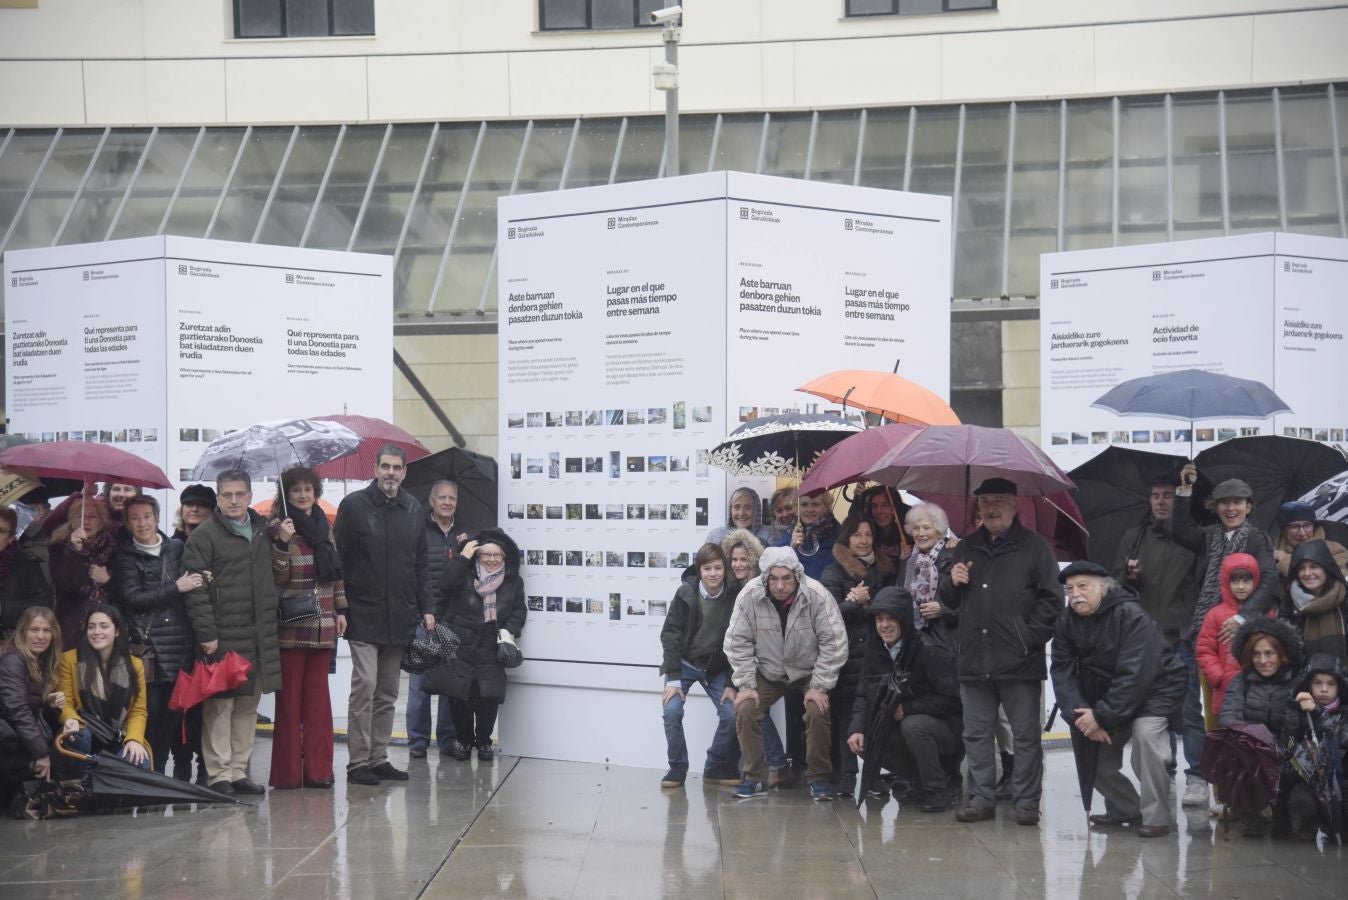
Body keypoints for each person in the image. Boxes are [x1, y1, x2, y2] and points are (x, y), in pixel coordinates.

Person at [940, 477, 1063, 826]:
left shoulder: (1035, 547)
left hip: (1019, 660)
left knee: (1024, 736)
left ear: (1014, 504)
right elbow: (947, 601)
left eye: (998, 500)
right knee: (976, 734)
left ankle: (1027, 801)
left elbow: (1052, 600)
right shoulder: (965, 547)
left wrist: (1028, 639)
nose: (990, 507)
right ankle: (981, 799)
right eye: (984, 501)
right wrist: (952, 581)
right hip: (974, 658)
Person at [1051, 561, 1187, 838]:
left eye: (1083, 586)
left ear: (1103, 586)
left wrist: (1101, 716)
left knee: (1146, 738)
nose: (1075, 594)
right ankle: (1127, 809)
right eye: (1069, 589)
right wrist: (1082, 716)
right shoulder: (1066, 621)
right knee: (1093, 757)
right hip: (1109, 696)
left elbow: (1135, 673)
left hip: (1155, 689)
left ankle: (1157, 817)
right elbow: (1061, 672)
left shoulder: (1130, 615)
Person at [335, 445, 434, 785]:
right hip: (362, 612)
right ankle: (357, 762)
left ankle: (378, 757)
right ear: (375, 469)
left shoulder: (413, 508)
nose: (391, 472)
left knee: (388, 692)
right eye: (385, 466)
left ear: (404, 472)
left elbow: (421, 563)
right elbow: (339, 561)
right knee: (365, 685)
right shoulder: (354, 506)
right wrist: (341, 607)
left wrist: (427, 607)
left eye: (397, 467)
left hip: (400, 615)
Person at [182, 469, 282, 796]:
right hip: (221, 636)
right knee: (219, 708)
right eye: (227, 495)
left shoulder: (263, 531)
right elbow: (195, 591)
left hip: (257, 635)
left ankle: (239, 771)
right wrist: (206, 633)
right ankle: (218, 774)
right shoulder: (204, 536)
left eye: (240, 494)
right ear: (218, 498)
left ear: (250, 496)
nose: (234, 500)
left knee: (247, 707)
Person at [724, 546, 847, 801]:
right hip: (769, 670)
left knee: (817, 710)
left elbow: (834, 641)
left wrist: (819, 686)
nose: (780, 586)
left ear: (797, 576)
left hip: (808, 671)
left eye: (786, 579)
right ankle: (755, 776)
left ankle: (818, 777)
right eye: (774, 579)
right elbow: (737, 641)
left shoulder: (817, 595)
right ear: (765, 577)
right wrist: (746, 684)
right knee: (745, 708)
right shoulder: (749, 595)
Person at [1111, 475, 1203, 806]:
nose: (1161, 501)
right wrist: (1128, 574)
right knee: (1153, 711)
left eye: (1168, 495)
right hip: (1144, 640)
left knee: (1188, 710)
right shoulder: (1134, 537)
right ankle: (1166, 770)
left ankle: (1197, 777)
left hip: (1182, 636)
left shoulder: (1193, 538)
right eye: (1155, 495)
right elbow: (1113, 587)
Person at [846, 587, 963, 812]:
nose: (885, 625)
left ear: (904, 620)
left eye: (891, 618)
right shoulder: (874, 651)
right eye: (879, 619)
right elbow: (862, 694)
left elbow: (954, 702)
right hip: (901, 725)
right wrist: (856, 729)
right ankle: (917, 781)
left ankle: (940, 787)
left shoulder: (929, 650)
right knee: (868, 736)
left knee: (912, 725)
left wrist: (907, 709)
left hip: (945, 732)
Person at [111, 495, 203, 778]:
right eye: (135, 518)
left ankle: (171, 773)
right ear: (127, 523)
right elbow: (133, 598)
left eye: (147, 516)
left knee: (173, 718)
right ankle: (151, 774)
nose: (142, 523)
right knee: (148, 716)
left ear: (157, 517)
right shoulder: (124, 556)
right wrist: (176, 587)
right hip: (147, 649)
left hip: (179, 647)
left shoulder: (176, 548)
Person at [268, 466, 346, 790]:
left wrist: (341, 609)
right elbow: (277, 578)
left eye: (308, 489)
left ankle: (319, 772)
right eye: (296, 490)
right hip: (292, 625)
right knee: (288, 704)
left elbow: (336, 572)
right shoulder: (277, 528)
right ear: (286, 494)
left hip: (324, 624)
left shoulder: (325, 527)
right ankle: (287, 775)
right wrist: (282, 544)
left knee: (318, 703)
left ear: (316, 492)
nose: (302, 495)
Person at [819, 515, 895, 795]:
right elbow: (826, 615)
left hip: (878, 652)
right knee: (844, 715)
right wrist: (853, 601)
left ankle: (873, 775)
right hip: (847, 655)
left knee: (875, 713)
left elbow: (893, 605)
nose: (864, 541)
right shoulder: (833, 571)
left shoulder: (886, 568)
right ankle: (846, 775)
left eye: (868, 534)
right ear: (846, 539)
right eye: (857, 535)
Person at [438, 528, 525, 761]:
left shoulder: (513, 581)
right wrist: (462, 558)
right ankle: (464, 740)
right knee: (460, 697)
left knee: (489, 698)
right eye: (487, 554)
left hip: (491, 645)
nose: (492, 559)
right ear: (478, 555)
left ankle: (484, 741)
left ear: (504, 556)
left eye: (497, 555)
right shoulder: (465, 572)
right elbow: (445, 585)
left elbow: (518, 611)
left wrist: (509, 630)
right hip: (461, 644)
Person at [658, 543, 741, 788]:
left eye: (718, 568)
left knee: (732, 714)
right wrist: (673, 678)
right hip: (683, 664)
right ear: (699, 570)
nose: (713, 573)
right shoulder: (685, 593)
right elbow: (670, 635)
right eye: (707, 568)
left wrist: (732, 682)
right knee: (672, 711)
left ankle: (714, 767)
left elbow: (741, 641)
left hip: (716, 667)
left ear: (725, 569)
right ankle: (677, 768)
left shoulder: (736, 595)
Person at [720, 527, 793, 788]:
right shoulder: (733, 588)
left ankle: (775, 766)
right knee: (752, 712)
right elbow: (735, 640)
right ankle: (769, 767)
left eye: (744, 559)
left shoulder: (761, 589)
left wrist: (733, 681)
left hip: (765, 666)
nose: (738, 564)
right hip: (743, 666)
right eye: (734, 559)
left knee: (755, 710)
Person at [1219, 617, 1303, 838]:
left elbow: (1297, 727)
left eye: (1269, 653)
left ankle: (1284, 812)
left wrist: (1282, 748)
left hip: (1288, 744)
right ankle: (1250, 814)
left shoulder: (1297, 683)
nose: (1262, 660)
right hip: (1252, 746)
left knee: (1289, 764)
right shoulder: (1241, 682)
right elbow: (1229, 718)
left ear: (1281, 654)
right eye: (1256, 654)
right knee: (1241, 757)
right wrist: (1256, 740)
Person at [406, 479, 469, 760]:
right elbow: (412, 575)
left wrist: (466, 550)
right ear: (431, 501)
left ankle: (447, 739)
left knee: (450, 684)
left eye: (452, 498)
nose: (447, 502)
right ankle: (418, 740)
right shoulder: (418, 530)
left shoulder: (465, 535)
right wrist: (422, 611)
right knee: (419, 683)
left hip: (453, 619)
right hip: (424, 619)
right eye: (442, 497)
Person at [56, 602, 150, 774]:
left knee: (139, 758)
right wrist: (71, 719)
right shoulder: (70, 659)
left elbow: (138, 710)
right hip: (84, 731)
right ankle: (79, 785)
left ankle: (107, 787)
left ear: (117, 631)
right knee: (78, 737)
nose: (96, 632)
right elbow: (65, 702)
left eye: (104, 626)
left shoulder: (134, 665)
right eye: (91, 627)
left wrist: (134, 739)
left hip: (116, 736)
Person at [0, 607, 63, 808]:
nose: (40, 636)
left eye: (46, 630)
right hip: (7, 741)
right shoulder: (13, 659)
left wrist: (49, 705)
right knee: (53, 762)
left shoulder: (40, 660)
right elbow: (17, 709)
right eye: (34, 630)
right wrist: (41, 753)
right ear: (22, 632)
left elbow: (32, 706)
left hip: (14, 737)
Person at [1195, 554, 1267, 721]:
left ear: (1255, 581)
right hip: (1226, 691)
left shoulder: (1265, 613)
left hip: (1259, 689)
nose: (1241, 587)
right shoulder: (1215, 614)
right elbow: (1204, 650)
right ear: (1226, 582)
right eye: (1235, 581)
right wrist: (1218, 676)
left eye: (1246, 581)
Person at [1287, 655, 1348, 840]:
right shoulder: (1299, 711)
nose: (1324, 689)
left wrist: (1318, 713)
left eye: (1331, 684)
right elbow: (1288, 744)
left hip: (1341, 782)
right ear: (1309, 685)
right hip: (1309, 781)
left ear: (1339, 687)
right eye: (1317, 683)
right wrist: (1293, 716)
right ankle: (1306, 833)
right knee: (1301, 801)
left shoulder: (1345, 713)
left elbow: (1339, 740)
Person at [48, 496, 116, 642]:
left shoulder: (112, 548)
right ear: (72, 521)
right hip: (71, 624)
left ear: (101, 522)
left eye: (92, 517)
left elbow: (123, 592)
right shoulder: (59, 547)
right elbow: (68, 584)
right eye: (80, 516)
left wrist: (108, 581)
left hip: (105, 624)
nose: (86, 522)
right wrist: (76, 551)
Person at [902, 503, 960, 648]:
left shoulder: (955, 555)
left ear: (939, 531)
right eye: (916, 528)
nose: (921, 533)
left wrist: (943, 610)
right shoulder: (910, 562)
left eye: (927, 528)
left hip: (947, 641)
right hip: (918, 640)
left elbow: (970, 606)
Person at [1282, 539, 1347, 664]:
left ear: (1326, 568)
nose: (1307, 573)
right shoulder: (1289, 605)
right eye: (1301, 568)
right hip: (1305, 674)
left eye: (1314, 567)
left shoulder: (1344, 599)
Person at [0, 506, 54, 641]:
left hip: (10, 640)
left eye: (1, 531)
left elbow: (43, 604)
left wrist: (3, 609)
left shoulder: (25, 564)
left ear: (11, 537)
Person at [1272, 501, 1348, 584]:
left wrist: (1285, 560)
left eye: (1307, 525)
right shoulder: (1269, 552)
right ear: (1284, 529)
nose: (1302, 533)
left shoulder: (1334, 550)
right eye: (1295, 526)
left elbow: (1331, 583)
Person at [780, 490, 840, 581]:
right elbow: (775, 565)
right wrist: (790, 547)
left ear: (826, 507)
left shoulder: (837, 533)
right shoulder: (791, 532)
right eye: (804, 504)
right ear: (797, 508)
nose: (810, 510)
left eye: (815, 504)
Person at [852, 485, 909, 574]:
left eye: (884, 505)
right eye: (874, 506)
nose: (879, 511)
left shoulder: (909, 535)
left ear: (894, 507)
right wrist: (901, 562)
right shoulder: (866, 540)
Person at [706, 487, 775, 547]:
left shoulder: (769, 537)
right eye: (737, 507)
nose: (741, 513)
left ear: (756, 510)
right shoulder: (714, 537)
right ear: (730, 510)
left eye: (747, 508)